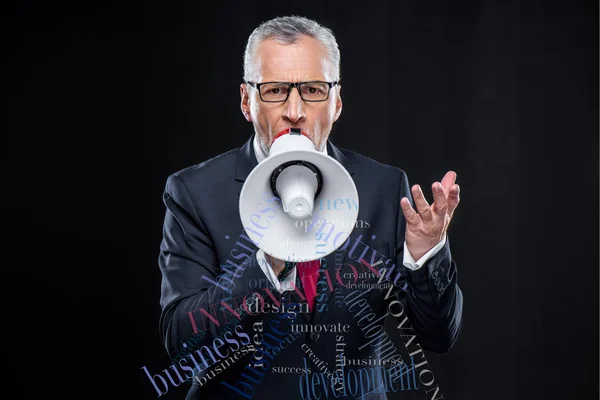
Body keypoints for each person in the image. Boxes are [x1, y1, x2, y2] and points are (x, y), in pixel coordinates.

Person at [156, 15, 463, 400]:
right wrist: (264, 265)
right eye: (275, 91)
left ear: (336, 103)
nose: (295, 111)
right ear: (246, 101)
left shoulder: (383, 189)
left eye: (314, 90)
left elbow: (439, 335)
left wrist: (427, 255)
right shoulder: (195, 193)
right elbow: (180, 341)